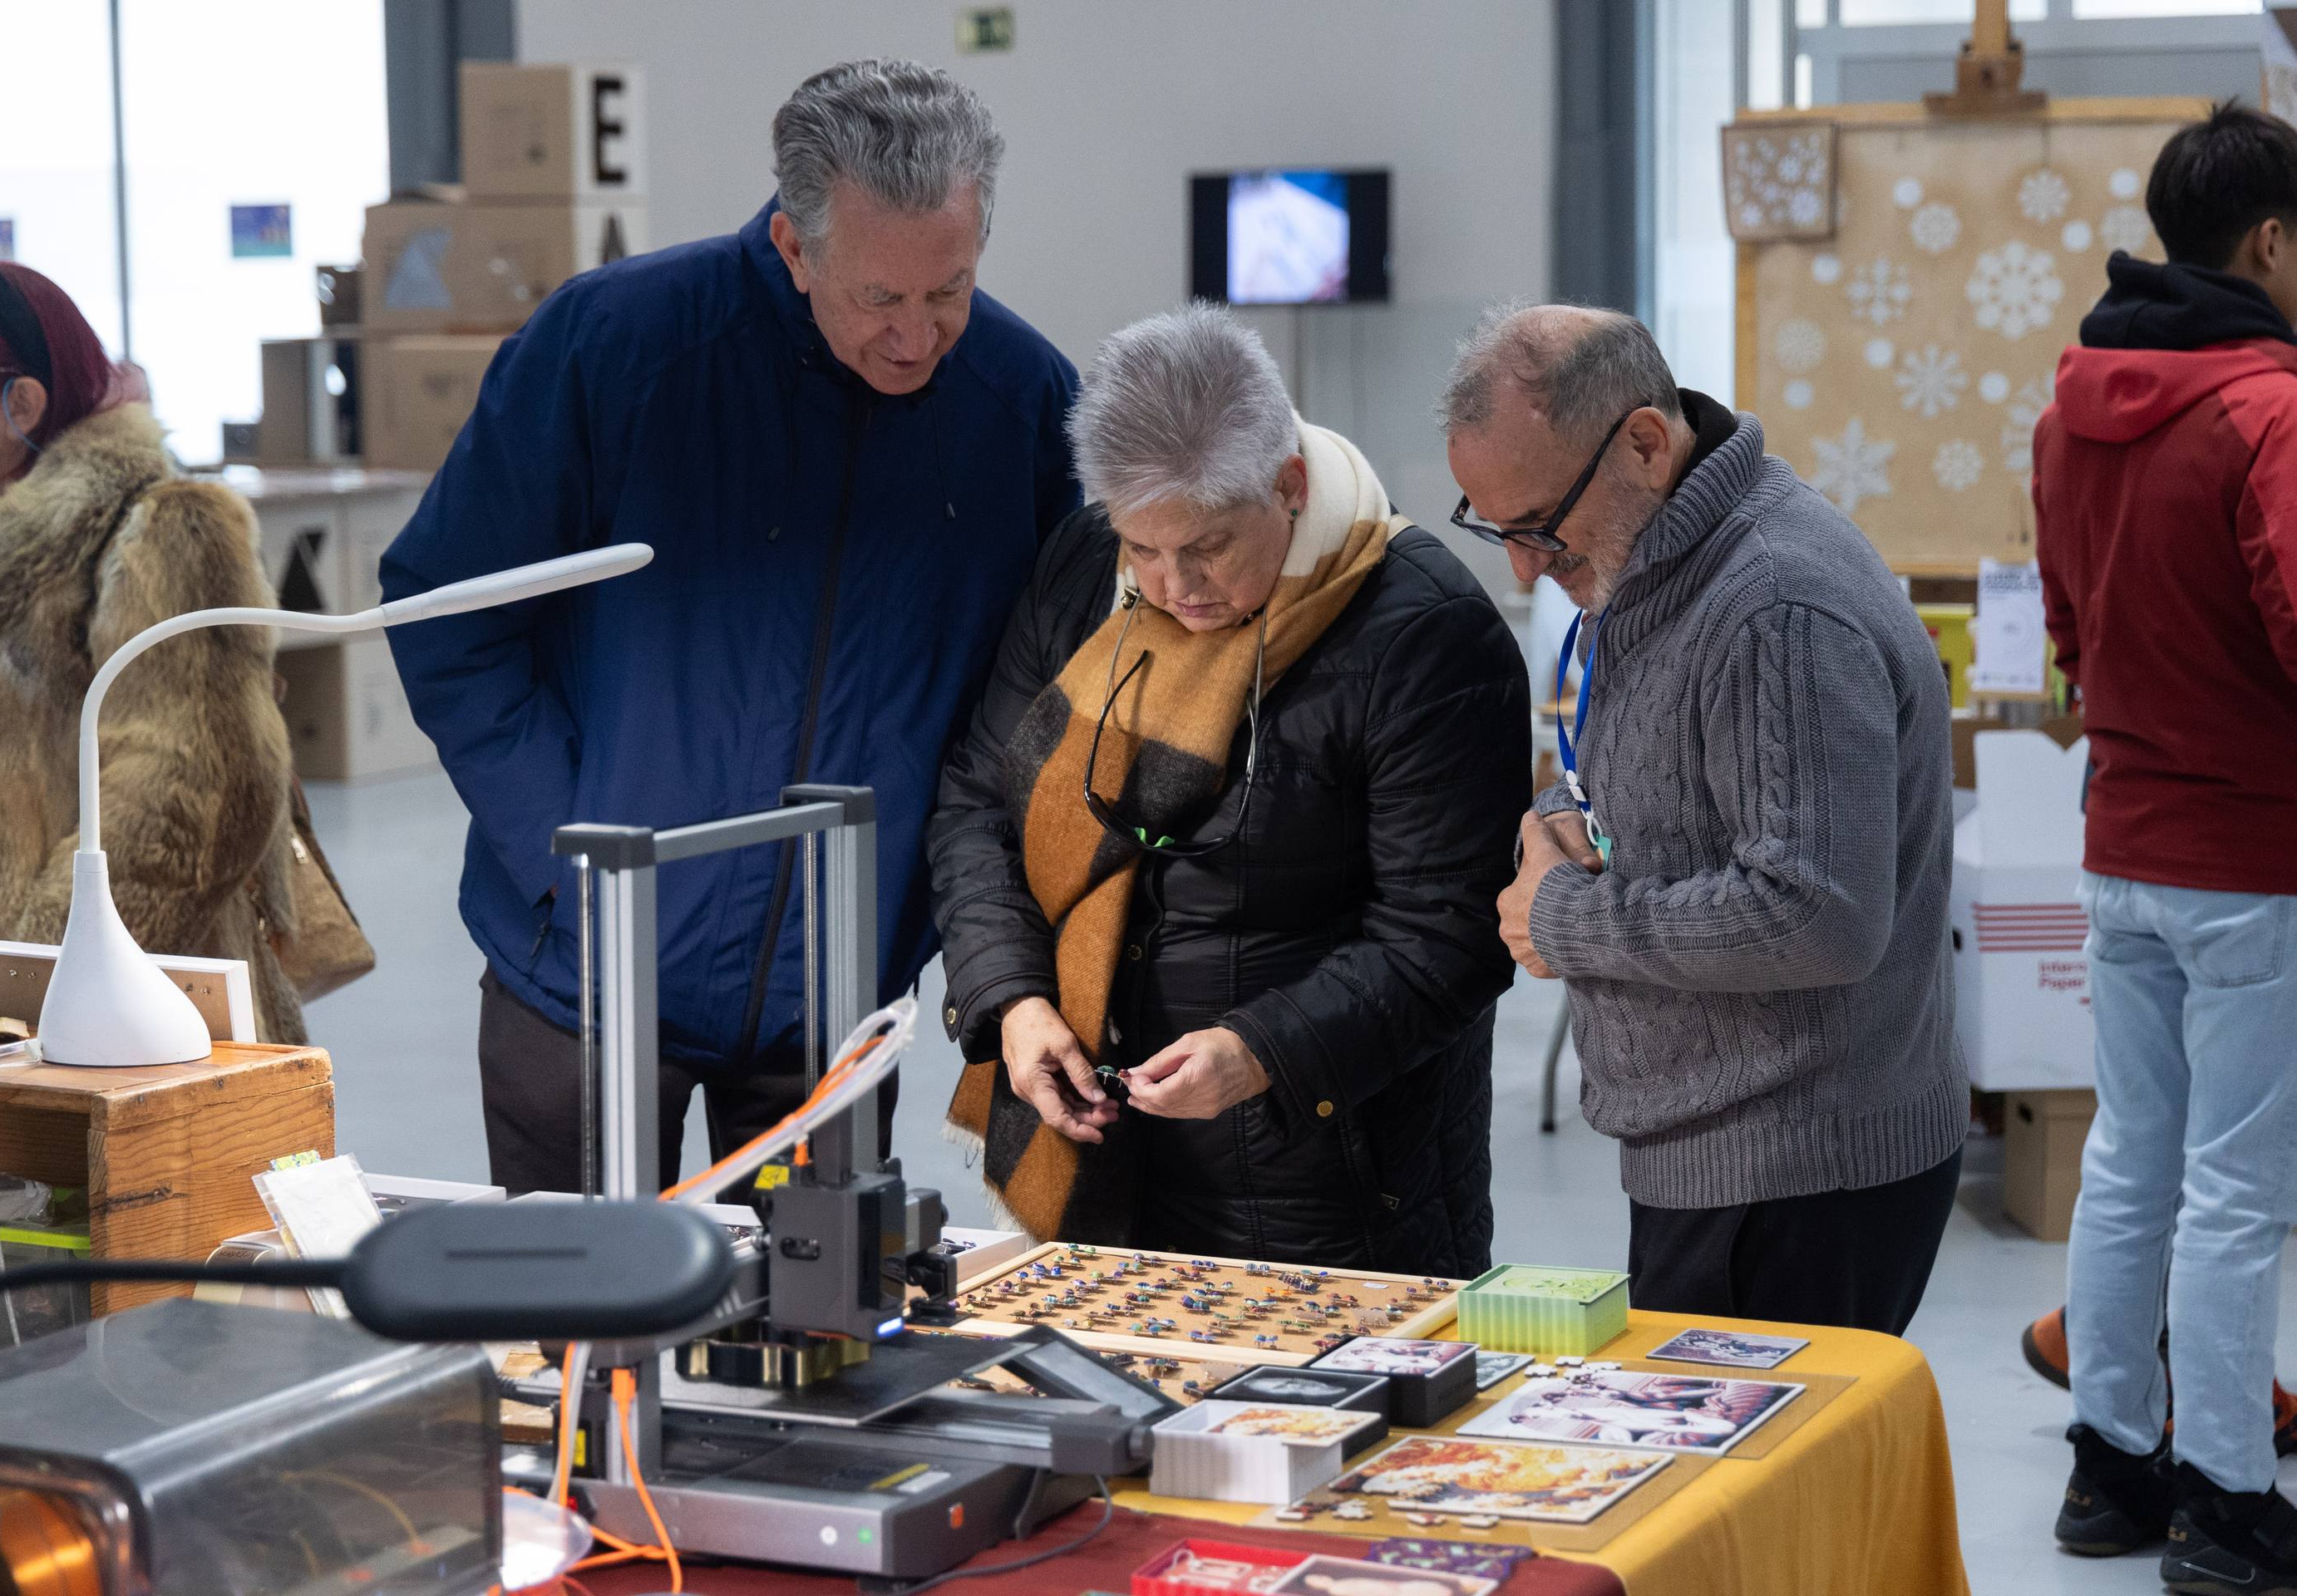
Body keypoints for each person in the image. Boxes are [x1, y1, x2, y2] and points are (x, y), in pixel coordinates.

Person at [380, 60, 1079, 1193]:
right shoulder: (614, 350)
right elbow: (446, 614)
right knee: (585, 1354)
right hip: (584, 990)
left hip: (834, 1003)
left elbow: (1035, 708)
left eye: (946, 290)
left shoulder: (1022, 407)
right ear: (792, 245)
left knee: (817, 1352)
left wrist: (913, 914)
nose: (917, 340)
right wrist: (565, 861)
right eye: (878, 300)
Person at [930, 302, 1526, 1277]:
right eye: (1143, 547)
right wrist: (1015, 1003)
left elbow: (1447, 935)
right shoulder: (1087, 571)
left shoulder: (1421, 634)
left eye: (1205, 545)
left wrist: (1263, 1051)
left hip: (1324, 1180)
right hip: (1091, 1151)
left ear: (1288, 485)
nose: (1171, 585)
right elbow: (978, 803)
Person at [1450, 303, 1966, 1336]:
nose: (1521, 566)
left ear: (1644, 442)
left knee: (1756, 1494)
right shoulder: (1657, 561)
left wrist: (1561, 919)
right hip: (1728, 1146)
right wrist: (1559, 818)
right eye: (1492, 527)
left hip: (1794, 1170)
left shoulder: (1772, 605)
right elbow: (1662, 777)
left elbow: (1813, 913)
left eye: (1536, 527)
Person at [2029, 103, 2297, 1584]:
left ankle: (2109, 1470)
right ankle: (2224, 1499)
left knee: (2129, 1163)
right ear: (2266, 240)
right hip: (2251, 858)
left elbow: (2068, 633)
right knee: (2235, 1189)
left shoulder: (2066, 408)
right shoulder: (2266, 410)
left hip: (2118, 843)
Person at [0, 256, 302, 1040]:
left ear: (20, 399)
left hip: (127, 1024)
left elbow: (192, 794)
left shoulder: (164, 529)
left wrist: (36, 976)